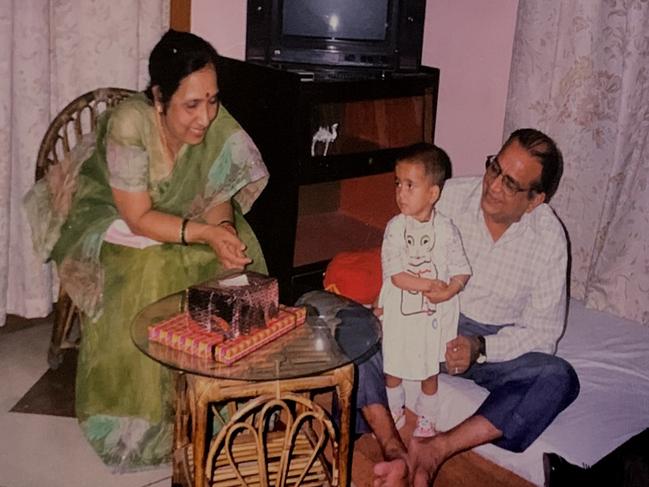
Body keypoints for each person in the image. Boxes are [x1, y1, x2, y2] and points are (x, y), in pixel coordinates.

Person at [24, 30, 269, 471]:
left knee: (236, 252)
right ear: (159, 96)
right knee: (152, 266)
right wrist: (205, 234)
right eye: (191, 105)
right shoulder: (129, 123)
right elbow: (138, 217)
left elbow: (218, 190)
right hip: (109, 213)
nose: (205, 116)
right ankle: (148, 419)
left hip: (176, 213)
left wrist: (225, 233)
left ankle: (217, 403)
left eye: (212, 100)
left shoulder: (213, 119)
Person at [357, 128, 580, 486]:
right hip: (426, 318)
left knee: (557, 377)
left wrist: (480, 347)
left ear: (536, 199)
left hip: (488, 342)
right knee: (357, 334)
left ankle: (437, 449)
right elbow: (399, 254)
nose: (492, 185)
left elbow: (544, 333)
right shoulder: (449, 196)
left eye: (511, 184)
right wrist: (387, 306)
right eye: (495, 168)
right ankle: (393, 450)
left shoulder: (549, 238)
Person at [378, 143, 470, 438]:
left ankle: (427, 416)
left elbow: (461, 269)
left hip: (433, 313)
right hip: (400, 310)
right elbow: (396, 275)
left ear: (433, 193)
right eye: (397, 184)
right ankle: (394, 410)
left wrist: (450, 289)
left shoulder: (446, 229)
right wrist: (429, 285)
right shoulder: (395, 228)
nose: (400, 193)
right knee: (392, 363)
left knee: (429, 369)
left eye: (410, 185)